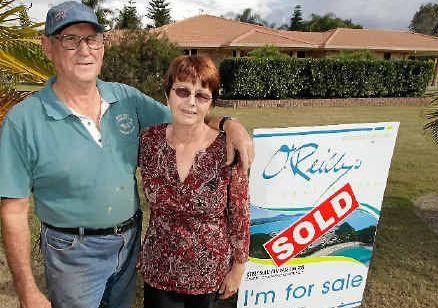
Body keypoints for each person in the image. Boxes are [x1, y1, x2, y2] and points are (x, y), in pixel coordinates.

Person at [0, 2, 253, 308]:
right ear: (48, 47)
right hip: (72, 254)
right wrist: (26, 288)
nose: (84, 50)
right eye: (70, 39)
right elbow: (13, 211)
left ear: (102, 48)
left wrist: (229, 123)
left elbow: (186, 113)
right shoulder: (23, 120)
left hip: (129, 245)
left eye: (92, 39)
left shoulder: (126, 99)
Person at [138, 55, 249, 308]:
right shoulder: (148, 142)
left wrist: (238, 268)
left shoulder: (228, 149)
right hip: (160, 271)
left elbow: (240, 214)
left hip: (212, 277)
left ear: (210, 103)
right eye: (182, 91)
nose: (190, 102)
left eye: (201, 95)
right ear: (168, 94)